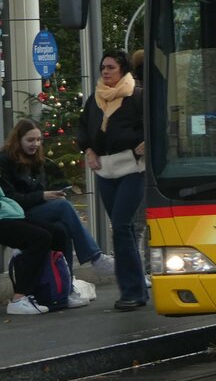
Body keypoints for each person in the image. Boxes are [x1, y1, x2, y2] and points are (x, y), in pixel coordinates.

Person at [1, 118, 114, 285]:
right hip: (15, 214)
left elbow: (37, 189)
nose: (35, 144)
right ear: (18, 140)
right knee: (63, 207)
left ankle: (66, 282)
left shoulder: (34, 159)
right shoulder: (4, 160)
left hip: (31, 208)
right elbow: (10, 198)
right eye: (30, 140)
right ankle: (95, 257)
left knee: (62, 228)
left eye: (38, 140)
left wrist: (51, 194)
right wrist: (43, 196)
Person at [77, 49, 149, 311]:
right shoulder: (94, 99)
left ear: (123, 70)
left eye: (111, 67)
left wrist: (147, 143)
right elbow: (83, 127)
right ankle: (137, 289)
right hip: (105, 171)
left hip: (132, 169)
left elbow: (156, 124)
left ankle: (131, 291)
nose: (105, 71)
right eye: (103, 67)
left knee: (120, 226)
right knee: (123, 229)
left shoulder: (136, 96)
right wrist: (88, 149)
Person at [0, 182, 81, 314]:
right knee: (40, 238)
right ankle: (19, 297)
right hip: (4, 217)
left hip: (9, 214)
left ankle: (58, 291)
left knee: (58, 233)